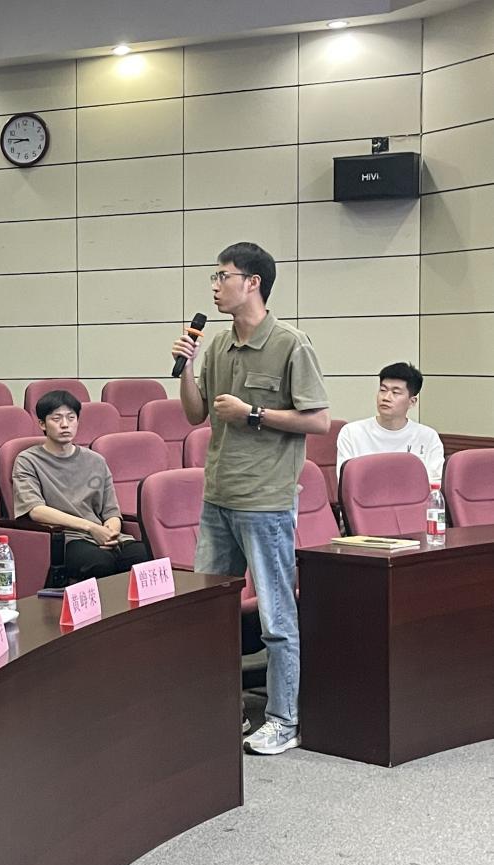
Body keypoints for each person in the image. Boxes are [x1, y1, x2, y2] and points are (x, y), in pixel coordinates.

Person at [171, 241, 329, 756]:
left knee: (275, 618)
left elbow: (319, 420)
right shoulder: (218, 344)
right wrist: (187, 368)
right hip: (217, 497)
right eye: (214, 278)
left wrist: (253, 414)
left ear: (253, 282)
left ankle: (283, 719)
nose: (215, 286)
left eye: (223, 276)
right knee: (208, 612)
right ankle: (223, 707)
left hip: (265, 502)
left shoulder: (290, 343)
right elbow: (195, 414)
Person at [12, 390, 152, 581]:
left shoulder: (96, 460)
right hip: (66, 538)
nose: (65, 424)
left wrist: (110, 533)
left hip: (103, 535)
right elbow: (35, 510)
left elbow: (111, 511)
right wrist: (91, 528)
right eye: (56, 419)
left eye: (71, 418)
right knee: (99, 563)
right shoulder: (28, 460)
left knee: (145, 556)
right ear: (42, 424)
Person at [337, 362, 443, 484]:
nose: (386, 397)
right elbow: (346, 483)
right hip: (367, 496)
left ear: (412, 402)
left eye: (395, 392)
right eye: (383, 390)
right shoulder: (352, 433)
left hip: (413, 496)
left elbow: (434, 483)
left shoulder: (428, 436)